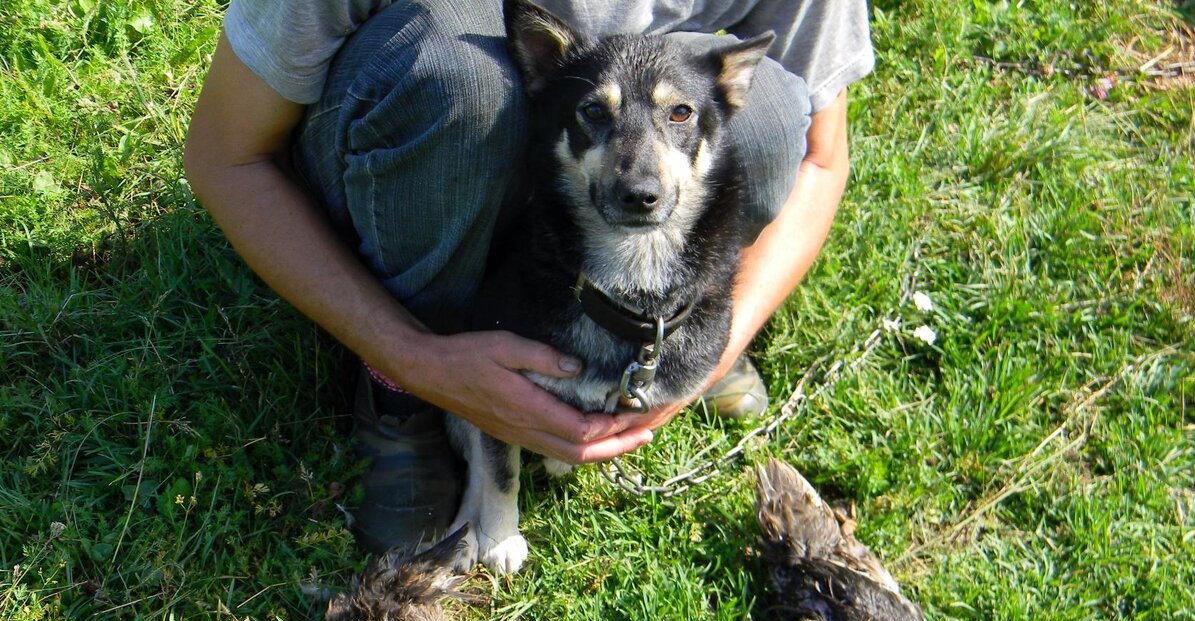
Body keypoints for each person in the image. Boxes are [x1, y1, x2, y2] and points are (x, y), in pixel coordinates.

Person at [184, 0, 874, 551]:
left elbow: (820, 157)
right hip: (424, 130)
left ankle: (664, 313)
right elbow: (227, 158)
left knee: (779, 115)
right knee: (464, 80)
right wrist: (413, 357)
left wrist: (714, 335)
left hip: (592, 190)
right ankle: (405, 396)